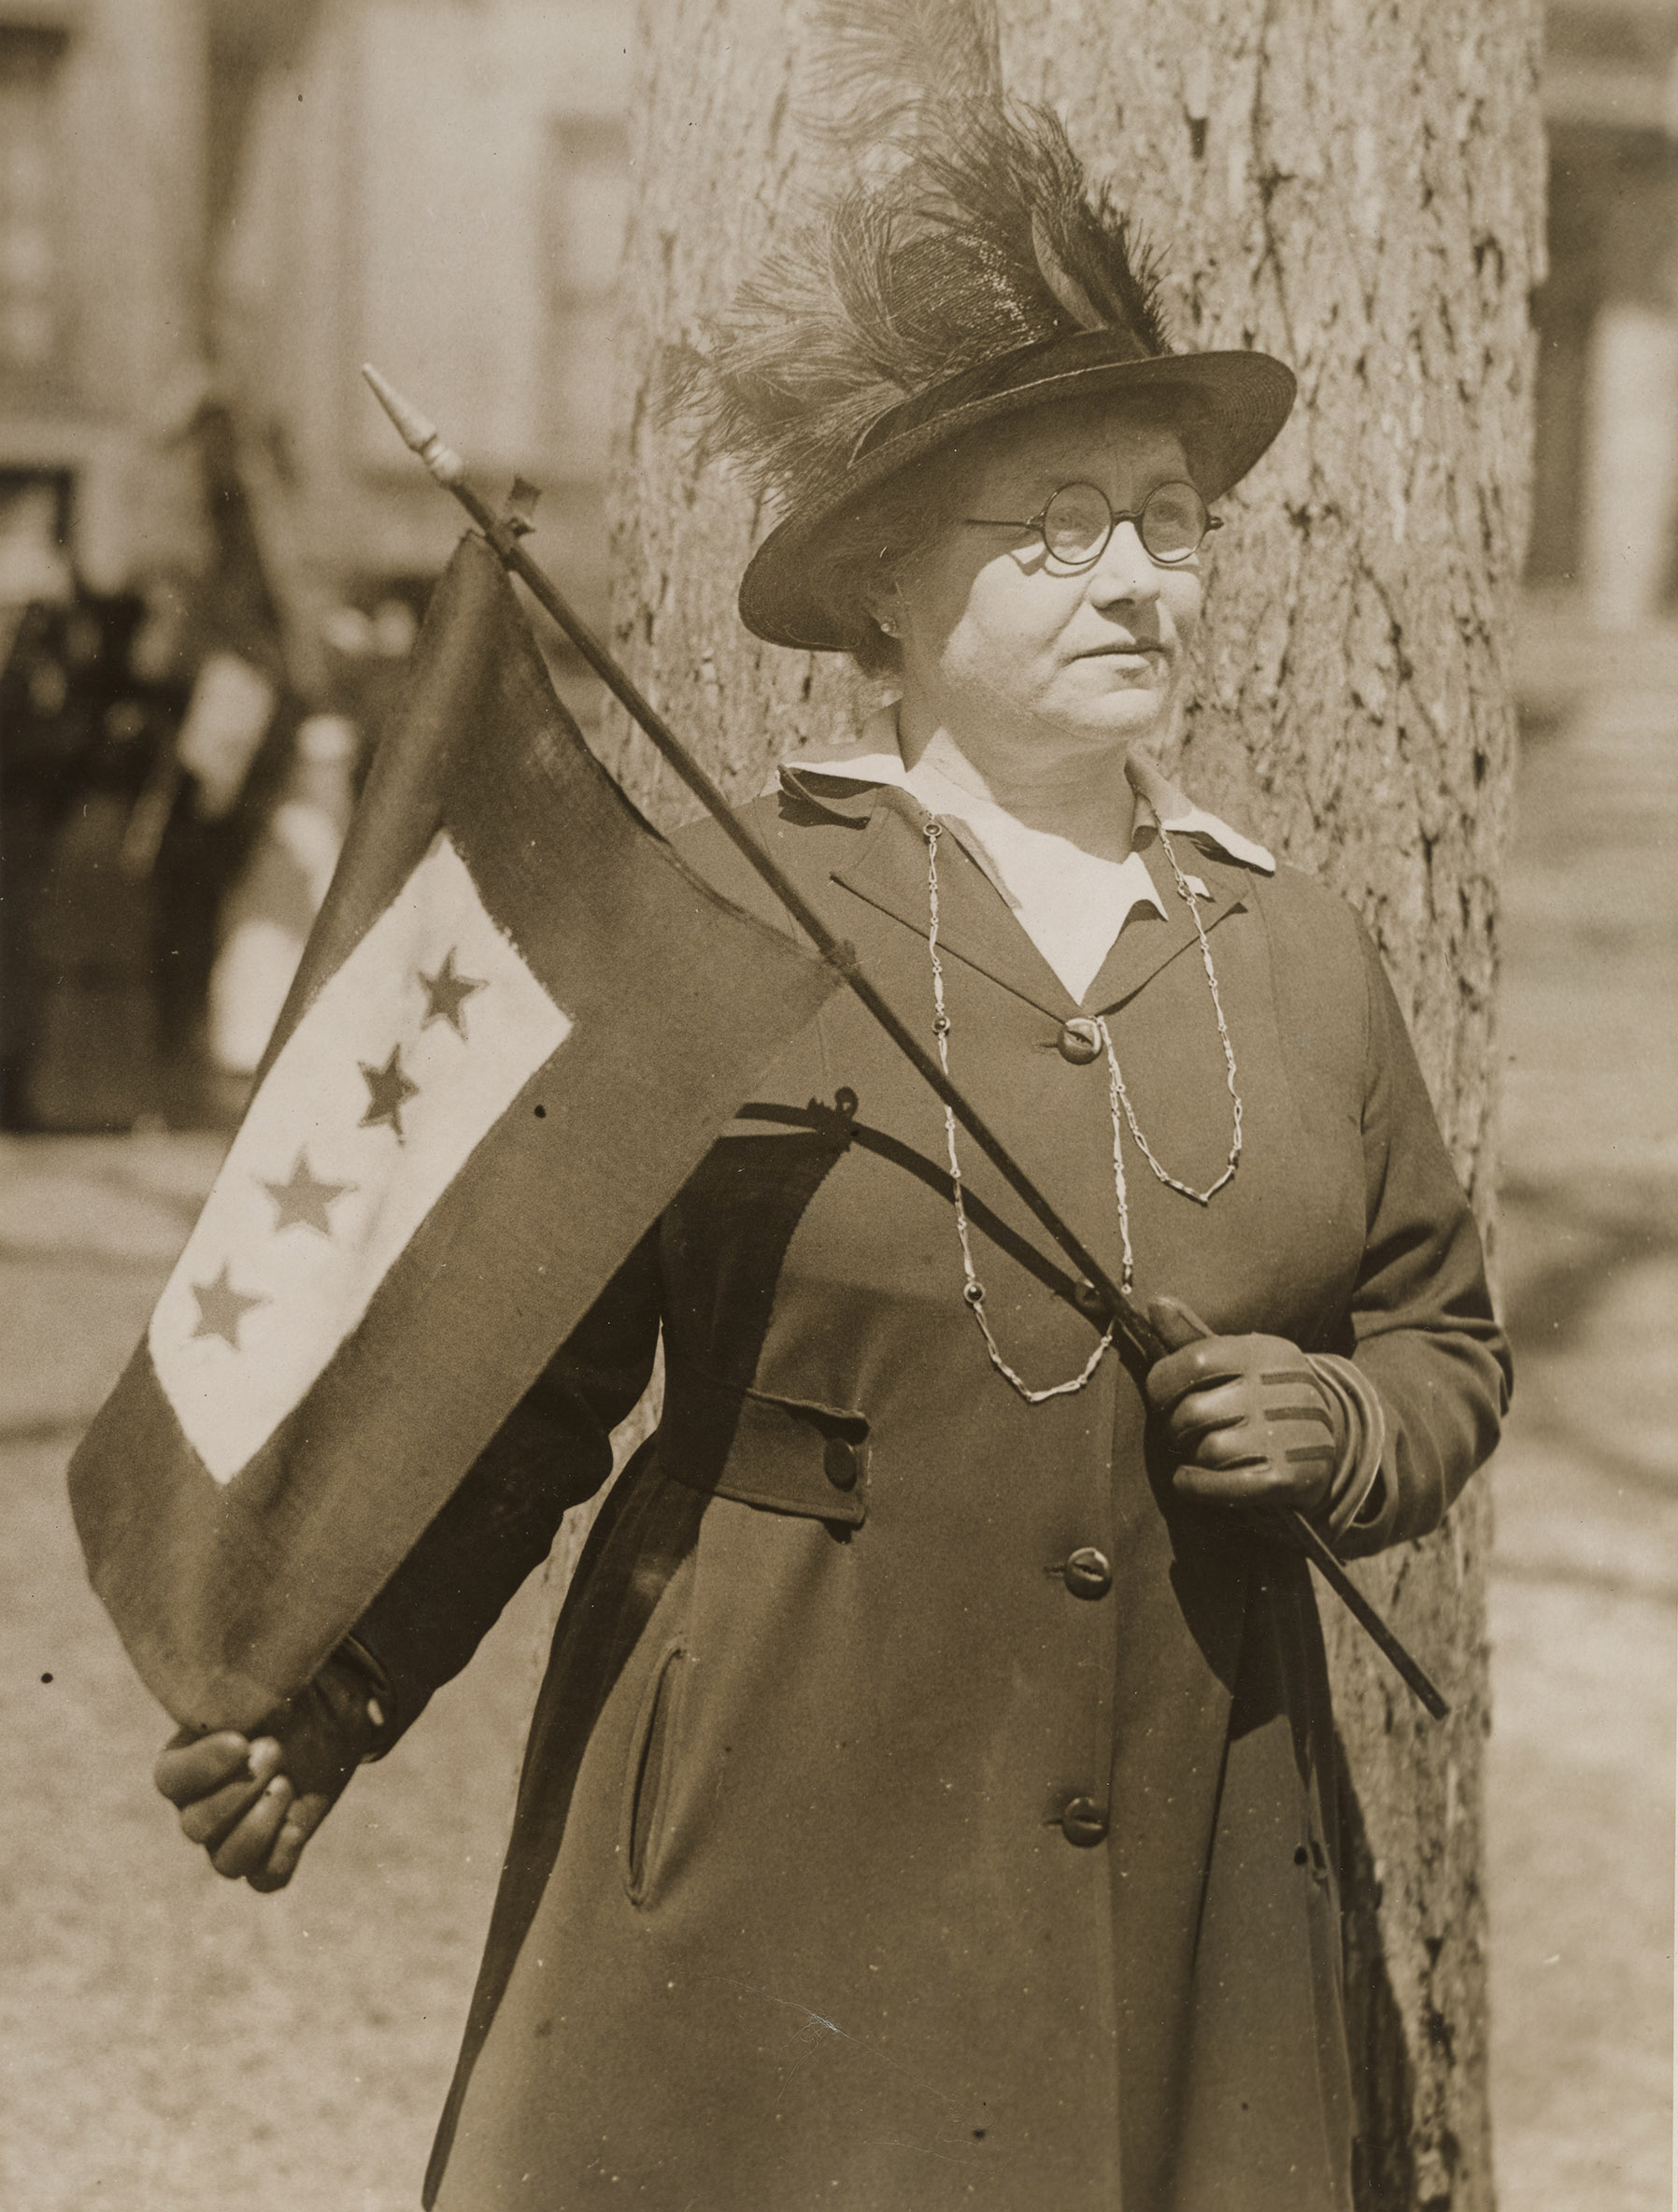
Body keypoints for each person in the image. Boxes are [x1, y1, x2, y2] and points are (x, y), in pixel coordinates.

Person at [154, 97, 1511, 2212]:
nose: (1142, 576)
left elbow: (1446, 1335)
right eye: (1059, 526)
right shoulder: (717, 920)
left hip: (1196, 1816)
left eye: (1169, 519)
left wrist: (1341, 1416)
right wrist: (331, 1686)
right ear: (886, 586)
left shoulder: (1304, 952)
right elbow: (528, 1389)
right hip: (778, 1821)